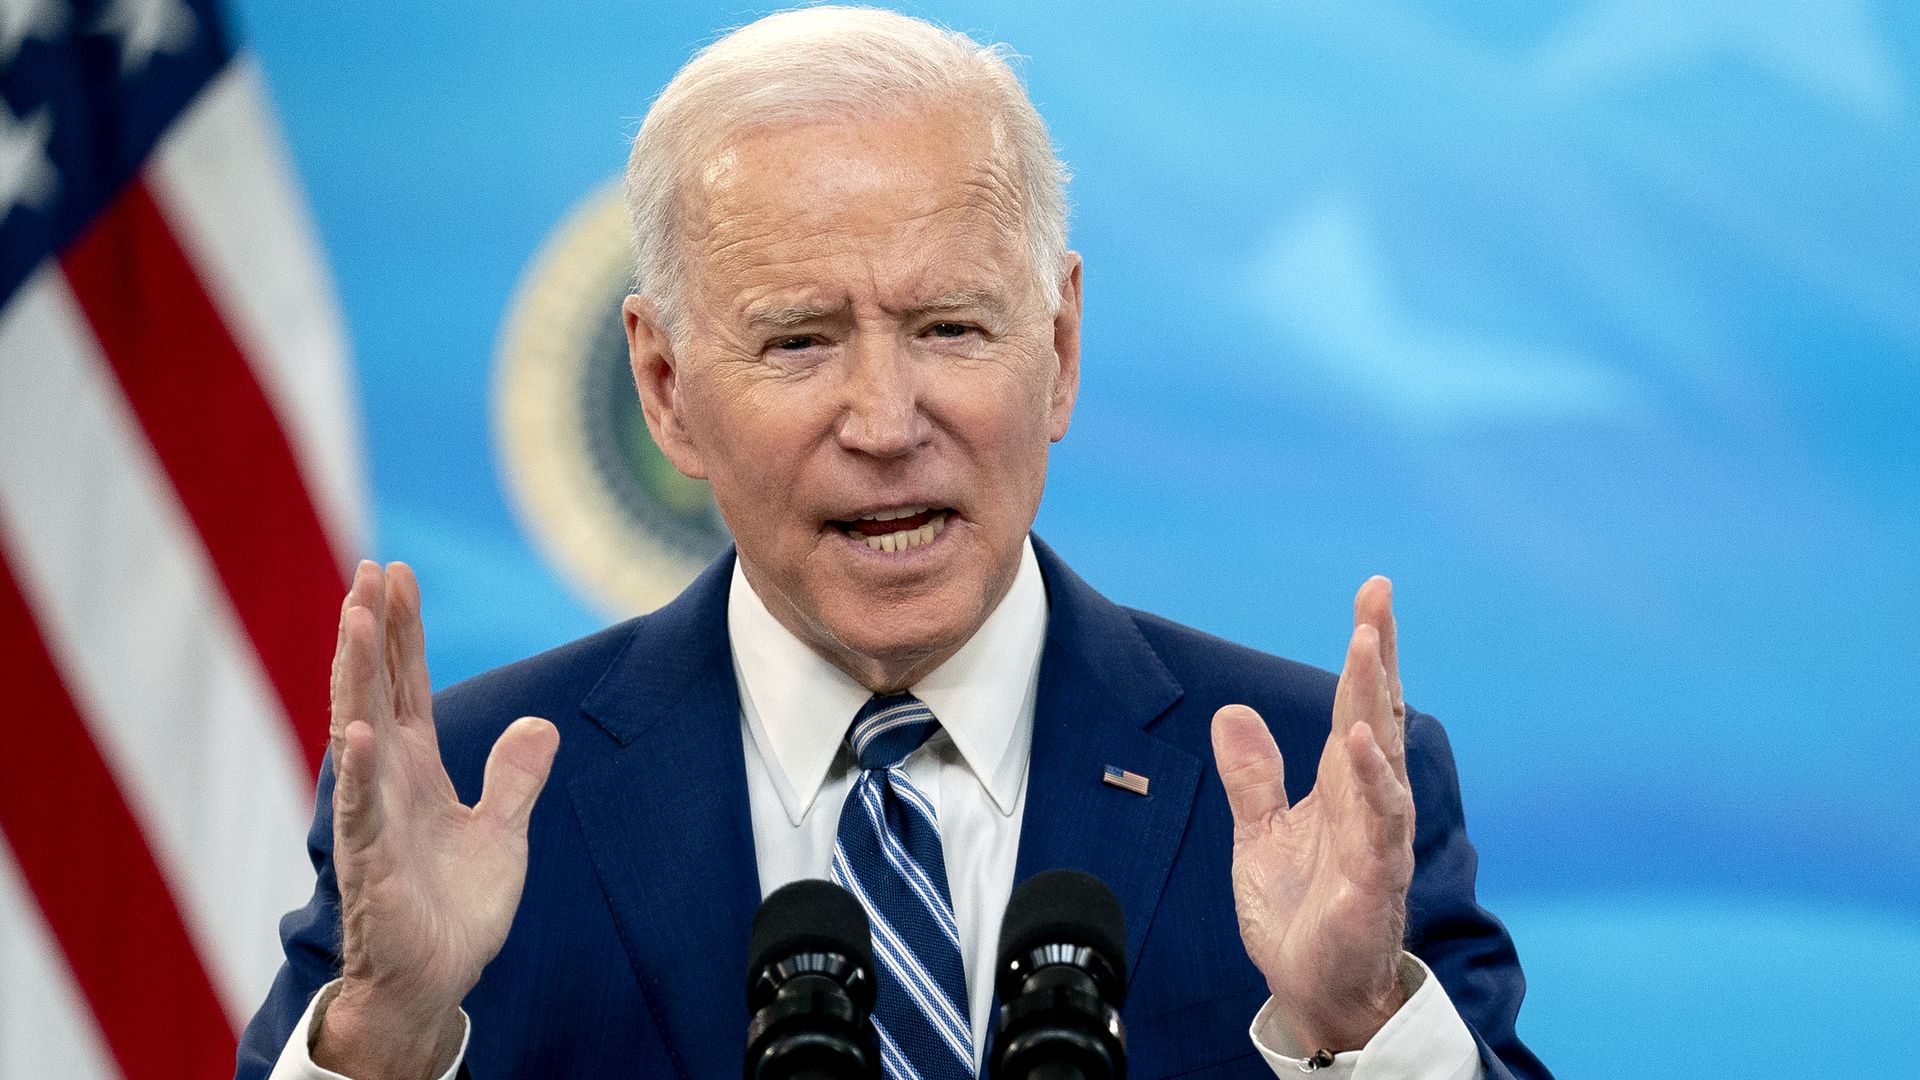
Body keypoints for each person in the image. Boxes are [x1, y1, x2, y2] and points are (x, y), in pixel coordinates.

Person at [239, 8, 1550, 1079]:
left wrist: (1366, 1037)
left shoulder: (1319, 791)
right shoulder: (467, 797)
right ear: (661, 384)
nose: (884, 420)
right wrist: (386, 1042)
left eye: (951, 328)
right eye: (799, 340)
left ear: (1062, 347)